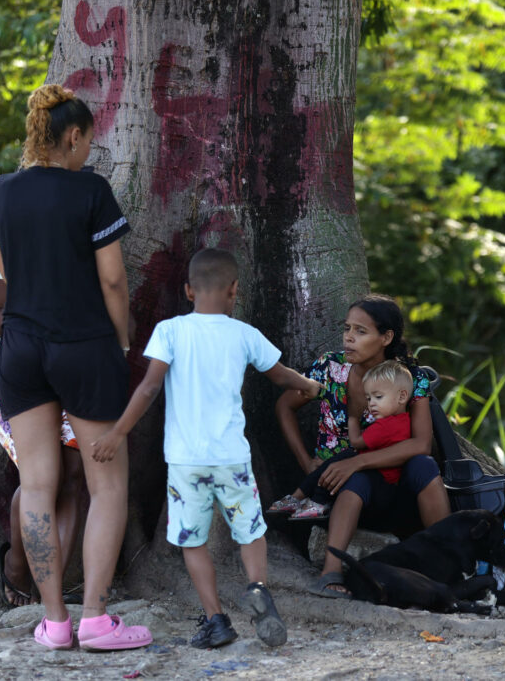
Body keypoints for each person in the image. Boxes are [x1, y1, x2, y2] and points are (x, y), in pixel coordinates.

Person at [0, 83, 151, 650]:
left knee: (37, 485)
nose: (88, 153)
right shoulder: (92, 192)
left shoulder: (2, 194)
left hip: (21, 349)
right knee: (106, 486)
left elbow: (5, 273)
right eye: (87, 142)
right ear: (73, 137)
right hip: (84, 346)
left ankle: (53, 623)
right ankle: (97, 620)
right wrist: (121, 337)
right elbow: (111, 279)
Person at [91, 248, 322, 649]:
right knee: (250, 530)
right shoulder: (244, 334)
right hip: (232, 457)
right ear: (235, 290)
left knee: (192, 541)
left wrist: (116, 434)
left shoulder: (170, 331)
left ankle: (216, 619)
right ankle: (258, 587)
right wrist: (309, 385)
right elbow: (281, 376)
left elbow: (148, 388)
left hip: (185, 462)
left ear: (188, 291)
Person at [274, 294, 451, 599]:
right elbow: (284, 406)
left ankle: (447, 559)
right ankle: (330, 573)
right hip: (337, 490)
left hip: (395, 489)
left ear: (386, 337)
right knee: (355, 479)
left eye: (361, 331)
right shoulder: (330, 369)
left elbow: (421, 443)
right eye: (347, 329)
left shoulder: (410, 379)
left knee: (425, 465)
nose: (349, 338)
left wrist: (356, 461)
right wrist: (308, 465)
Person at [0, 248, 87, 607]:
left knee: (72, 475)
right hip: (22, 375)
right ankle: (17, 566)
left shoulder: (73, 244)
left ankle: (48, 591)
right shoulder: (3, 249)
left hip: (74, 373)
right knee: (42, 477)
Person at [276, 359, 415, 521]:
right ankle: (301, 499)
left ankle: (310, 500)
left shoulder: (385, 426)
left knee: (340, 460)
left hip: (377, 478)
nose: (372, 405)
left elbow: (356, 442)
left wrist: (353, 418)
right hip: (386, 478)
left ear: (402, 396)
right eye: (369, 399)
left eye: (378, 397)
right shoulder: (405, 421)